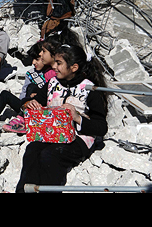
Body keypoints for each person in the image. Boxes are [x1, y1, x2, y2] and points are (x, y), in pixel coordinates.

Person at [15, 44, 109, 193]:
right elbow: (31, 100)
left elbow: (101, 127)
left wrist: (77, 118)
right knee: (32, 149)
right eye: (55, 62)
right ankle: (24, 190)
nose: (54, 67)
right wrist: (29, 104)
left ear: (74, 67)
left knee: (50, 155)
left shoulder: (88, 90)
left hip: (78, 138)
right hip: (53, 132)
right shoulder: (53, 83)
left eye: (59, 63)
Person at [0, 41, 55, 134]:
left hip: (42, 106)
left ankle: (23, 120)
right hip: (27, 105)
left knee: (33, 87)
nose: (33, 62)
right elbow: (23, 94)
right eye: (33, 59)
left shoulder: (53, 73)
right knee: (5, 94)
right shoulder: (31, 74)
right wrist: (27, 101)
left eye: (37, 59)